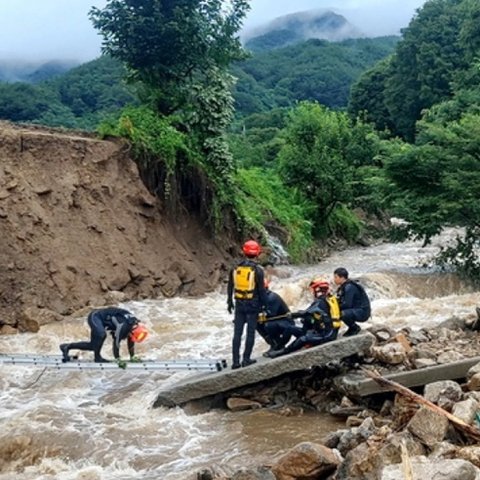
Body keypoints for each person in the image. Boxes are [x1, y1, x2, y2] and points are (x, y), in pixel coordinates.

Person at [267, 278, 341, 358]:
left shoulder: (321, 302)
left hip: (326, 334)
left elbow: (305, 312)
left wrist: (293, 315)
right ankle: (279, 347)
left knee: (303, 339)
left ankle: (284, 352)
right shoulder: (327, 299)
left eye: (313, 290)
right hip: (319, 330)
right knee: (290, 328)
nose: (312, 292)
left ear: (317, 290)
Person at [227, 240, 268, 369]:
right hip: (253, 305)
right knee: (250, 333)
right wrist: (265, 306)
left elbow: (230, 286)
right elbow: (261, 291)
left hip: (239, 304)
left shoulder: (235, 268)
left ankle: (235, 362)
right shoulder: (258, 270)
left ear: (244, 252)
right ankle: (246, 359)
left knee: (237, 334)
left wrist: (229, 301)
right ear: (257, 253)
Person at [60, 307, 148, 363]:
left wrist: (132, 357)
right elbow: (116, 343)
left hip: (103, 319)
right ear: (133, 331)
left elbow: (131, 341)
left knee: (93, 346)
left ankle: (66, 346)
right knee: (102, 334)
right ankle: (97, 358)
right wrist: (118, 359)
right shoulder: (124, 326)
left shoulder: (134, 325)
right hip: (96, 316)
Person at [256, 280, 293, 357]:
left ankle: (278, 345)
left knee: (268, 325)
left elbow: (270, 314)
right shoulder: (261, 299)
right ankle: (273, 344)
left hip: (285, 322)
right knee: (256, 324)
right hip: (275, 321)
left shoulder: (272, 297)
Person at [333, 267, 371, 336]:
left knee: (342, 314)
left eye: (336, 277)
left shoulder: (349, 287)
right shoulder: (344, 286)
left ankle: (354, 328)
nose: (334, 279)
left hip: (362, 312)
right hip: (356, 310)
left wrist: (334, 308)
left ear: (342, 278)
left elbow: (347, 305)